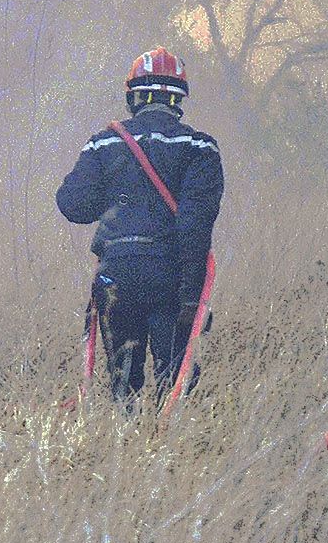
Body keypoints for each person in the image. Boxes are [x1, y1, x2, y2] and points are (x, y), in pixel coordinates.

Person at [56, 48, 224, 407]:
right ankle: (170, 437)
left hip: (116, 275)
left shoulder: (104, 143)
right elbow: (195, 226)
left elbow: (72, 205)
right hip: (172, 279)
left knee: (123, 385)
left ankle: (124, 436)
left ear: (133, 96)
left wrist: (115, 190)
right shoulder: (199, 147)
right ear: (178, 99)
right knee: (175, 383)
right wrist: (191, 298)